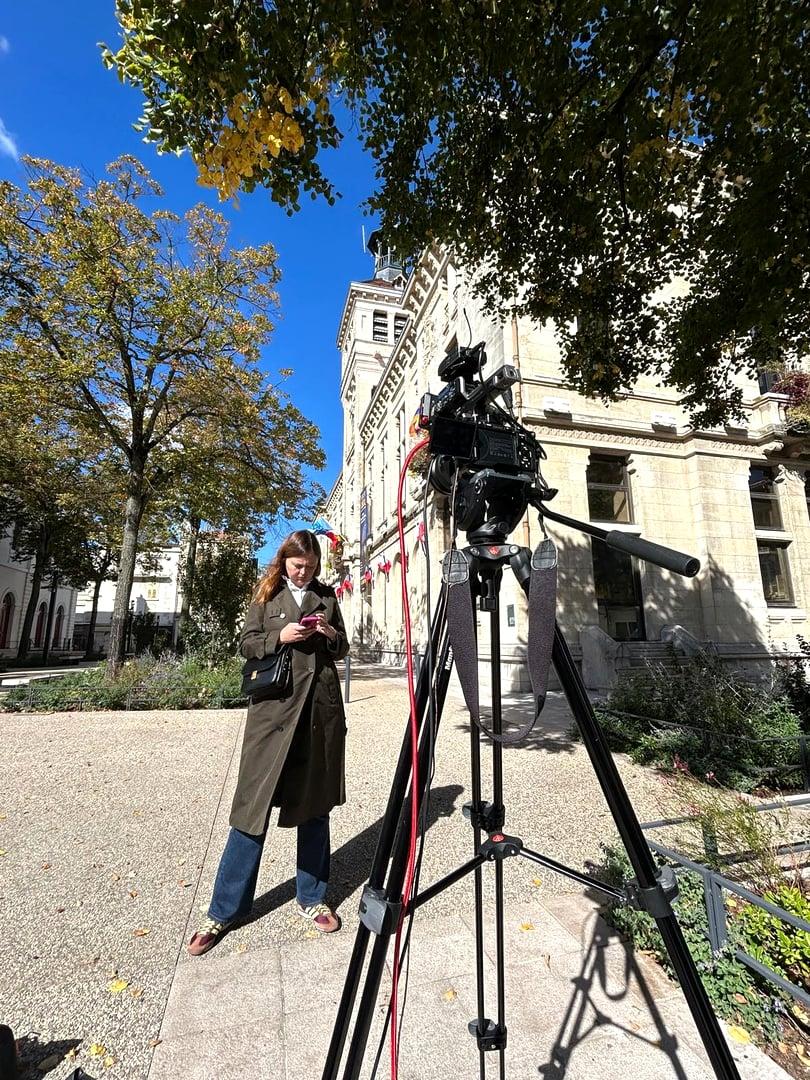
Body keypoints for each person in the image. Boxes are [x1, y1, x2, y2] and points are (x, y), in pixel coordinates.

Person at [187, 530, 349, 956]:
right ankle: (222, 911)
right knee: (250, 811)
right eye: (298, 566)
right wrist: (281, 637)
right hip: (273, 715)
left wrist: (329, 635)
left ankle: (312, 899)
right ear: (285, 561)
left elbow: (344, 647)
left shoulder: (327, 596)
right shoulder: (267, 594)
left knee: (314, 809)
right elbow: (246, 644)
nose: (304, 573)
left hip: (317, 715)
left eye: (311, 567)